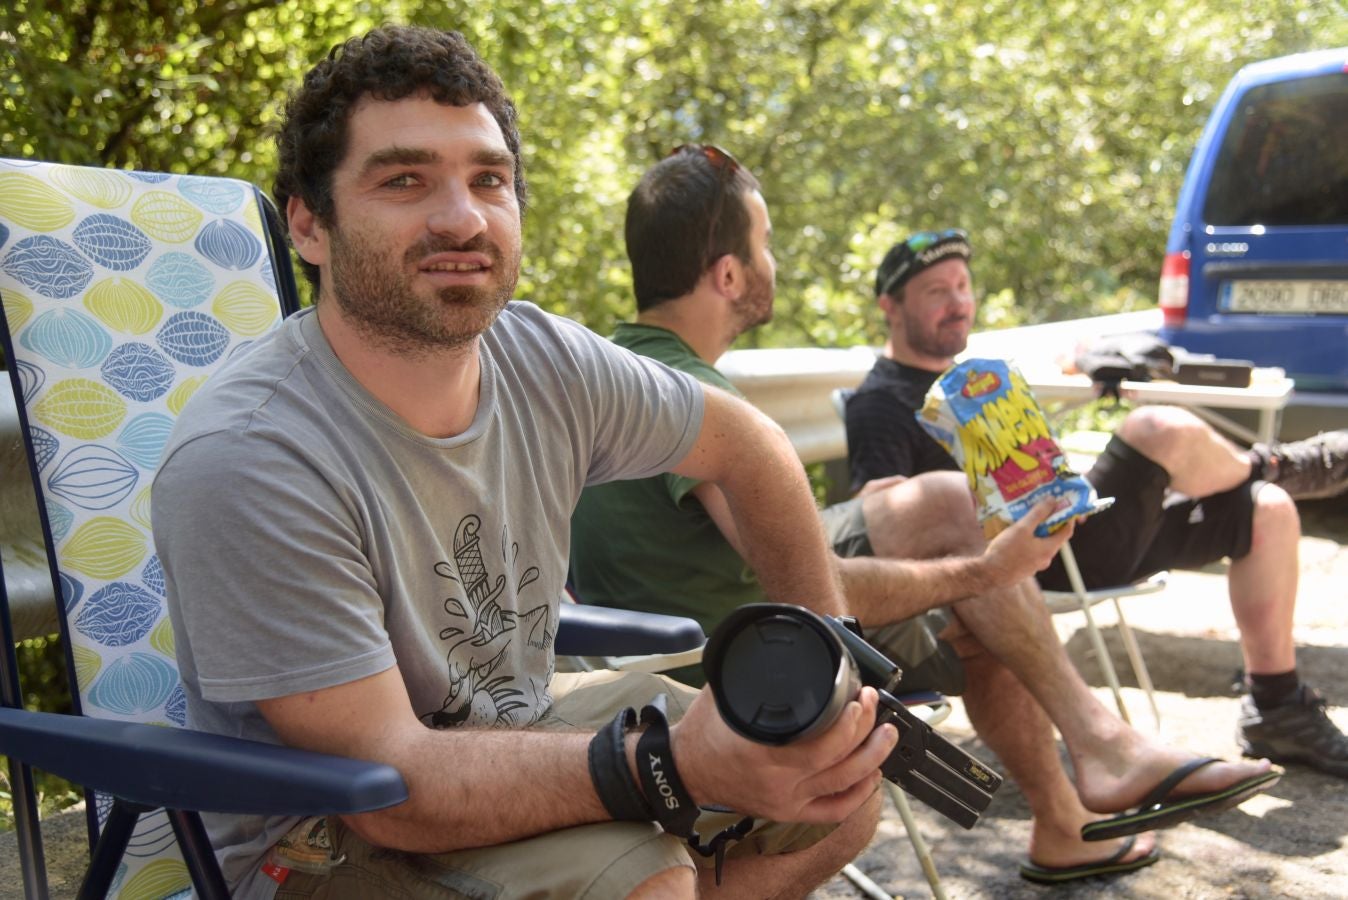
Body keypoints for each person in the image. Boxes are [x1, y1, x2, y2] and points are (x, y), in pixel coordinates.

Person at [152, 26, 900, 900]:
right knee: (648, 880)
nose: (461, 217)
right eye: (403, 180)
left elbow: (749, 444)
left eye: (488, 180)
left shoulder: (541, 358)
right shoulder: (252, 457)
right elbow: (388, 789)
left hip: (516, 722)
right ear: (310, 225)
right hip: (319, 834)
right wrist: (672, 771)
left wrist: (830, 665)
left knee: (834, 786)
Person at [569, 147, 1278, 884]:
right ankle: (1103, 753)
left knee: (966, 592)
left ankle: (1069, 818)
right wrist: (983, 568)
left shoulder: (620, 373)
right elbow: (822, 592)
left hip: (657, 644)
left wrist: (970, 575)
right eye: (766, 244)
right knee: (950, 526)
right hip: (739, 664)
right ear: (728, 275)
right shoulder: (699, 403)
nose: (772, 261)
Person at [845, 227, 1348, 781]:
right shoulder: (881, 400)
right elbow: (880, 514)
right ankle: (1284, 461)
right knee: (1156, 428)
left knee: (1268, 510)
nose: (958, 301)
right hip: (1026, 572)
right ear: (891, 306)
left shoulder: (979, 377)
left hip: (1084, 534)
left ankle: (1276, 706)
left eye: (963, 285)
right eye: (937, 291)